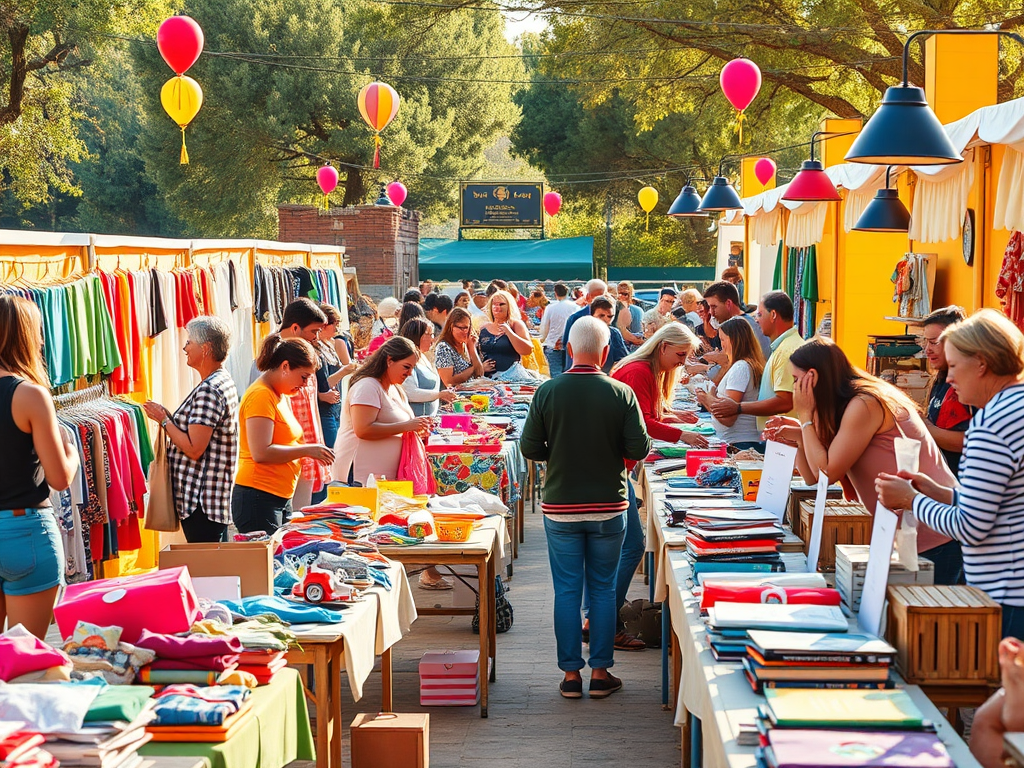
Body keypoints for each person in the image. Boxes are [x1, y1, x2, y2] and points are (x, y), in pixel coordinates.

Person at [521, 317, 651, 699]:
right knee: (603, 589)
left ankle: (570, 676)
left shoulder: (547, 391)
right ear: (606, 351)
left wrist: (557, 454)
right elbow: (639, 449)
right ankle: (600, 673)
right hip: (610, 506)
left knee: (566, 590)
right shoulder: (620, 392)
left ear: (569, 349)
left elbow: (530, 448)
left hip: (561, 506)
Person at [764, 338, 961, 585]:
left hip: (934, 533)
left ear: (812, 377)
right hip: (907, 533)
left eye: (796, 380)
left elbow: (827, 471)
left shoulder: (864, 403)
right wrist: (799, 436)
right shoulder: (845, 405)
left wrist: (805, 418)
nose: (794, 389)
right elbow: (813, 477)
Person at [876, 310, 1024, 628]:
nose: (951, 378)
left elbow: (970, 527)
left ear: (982, 363)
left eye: (955, 366)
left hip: (1006, 593)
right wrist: (940, 493)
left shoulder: (992, 424)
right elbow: (1002, 504)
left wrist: (911, 500)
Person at [605, 324, 709, 650]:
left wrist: (675, 416)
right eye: (680, 355)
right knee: (631, 546)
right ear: (662, 346)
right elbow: (643, 422)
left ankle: (600, 617)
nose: (682, 362)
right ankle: (605, 622)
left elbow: (647, 413)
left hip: (614, 465)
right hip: (612, 467)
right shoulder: (639, 371)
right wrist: (682, 434)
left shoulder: (643, 370)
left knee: (621, 548)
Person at [0, 296, 79, 638]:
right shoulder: (29, 395)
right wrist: (71, 449)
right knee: (26, 660)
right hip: (24, 531)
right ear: (25, 336)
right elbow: (59, 478)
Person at [143, 316, 239, 543]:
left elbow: (194, 448)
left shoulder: (209, 389)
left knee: (206, 569)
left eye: (189, 342)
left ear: (205, 349)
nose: (185, 348)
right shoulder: (220, 381)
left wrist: (164, 421)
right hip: (210, 499)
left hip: (201, 501)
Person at [234, 335, 334, 534]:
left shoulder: (280, 394)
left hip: (277, 496)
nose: (305, 384)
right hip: (258, 497)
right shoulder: (261, 395)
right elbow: (261, 453)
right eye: (304, 377)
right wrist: (307, 450)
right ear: (285, 366)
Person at [331, 336, 432, 485]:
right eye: (406, 367)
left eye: (412, 368)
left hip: (383, 480)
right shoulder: (367, 387)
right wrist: (407, 426)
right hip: (359, 477)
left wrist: (418, 428)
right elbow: (363, 430)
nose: (410, 373)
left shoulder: (396, 389)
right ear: (389, 360)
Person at [709, 291, 800, 429]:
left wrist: (738, 407)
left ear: (773, 315)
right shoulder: (782, 347)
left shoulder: (786, 351)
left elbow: (785, 402)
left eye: (759, 314)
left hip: (783, 439)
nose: (756, 320)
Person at [311, 305, 358, 505]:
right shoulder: (316, 349)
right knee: (329, 455)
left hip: (335, 408)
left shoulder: (329, 345)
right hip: (326, 410)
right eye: (334, 323)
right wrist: (345, 371)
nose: (337, 327)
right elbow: (322, 384)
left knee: (338, 453)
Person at [918, 305, 973, 476]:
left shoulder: (971, 385)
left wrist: (924, 427)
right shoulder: (941, 379)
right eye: (924, 341)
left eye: (934, 342)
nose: (927, 349)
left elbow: (969, 441)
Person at [696, 317, 765, 449]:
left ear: (733, 340)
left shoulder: (741, 368)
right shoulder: (743, 365)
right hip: (738, 440)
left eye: (723, 340)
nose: (721, 345)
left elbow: (728, 418)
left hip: (740, 442)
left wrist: (706, 398)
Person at [400, 318, 456, 417]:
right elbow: (410, 393)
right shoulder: (406, 359)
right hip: (415, 421)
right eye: (429, 334)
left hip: (429, 420)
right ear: (416, 336)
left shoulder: (424, 356)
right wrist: (439, 395)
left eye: (433, 334)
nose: (432, 339)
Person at [702, 281, 771, 360]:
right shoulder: (746, 322)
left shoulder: (743, 326)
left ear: (728, 303)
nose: (711, 312)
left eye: (714, 307)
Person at [479, 290, 534, 377]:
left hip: (512, 375)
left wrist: (509, 332)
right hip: (488, 379)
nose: (497, 307)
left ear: (509, 306)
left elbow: (527, 350)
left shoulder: (516, 325)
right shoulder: (483, 328)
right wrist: (480, 368)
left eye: (501, 304)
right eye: (494, 304)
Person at [434, 307, 493, 386]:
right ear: (451, 327)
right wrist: (472, 369)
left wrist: (472, 348)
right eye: (461, 328)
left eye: (467, 328)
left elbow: (479, 374)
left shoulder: (465, 345)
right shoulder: (443, 347)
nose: (465, 332)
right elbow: (448, 381)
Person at [580, 295, 628, 373]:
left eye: (609, 316)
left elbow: (622, 360)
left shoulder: (614, 334)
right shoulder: (582, 332)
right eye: (601, 316)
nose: (605, 320)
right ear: (592, 315)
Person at [538, 282, 576, 377]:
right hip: (572, 345)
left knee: (555, 374)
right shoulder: (576, 307)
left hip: (553, 344)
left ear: (555, 293)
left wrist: (542, 340)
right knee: (570, 374)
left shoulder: (550, 308)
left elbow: (544, 327)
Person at [561, 278, 608, 352]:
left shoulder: (612, 316)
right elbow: (567, 346)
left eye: (602, 298)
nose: (600, 302)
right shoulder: (575, 318)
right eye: (597, 298)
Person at [615, 282, 644, 348]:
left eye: (625, 294)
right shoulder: (611, 310)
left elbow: (638, 332)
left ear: (630, 295)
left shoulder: (637, 311)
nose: (622, 296)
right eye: (619, 293)